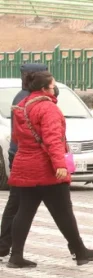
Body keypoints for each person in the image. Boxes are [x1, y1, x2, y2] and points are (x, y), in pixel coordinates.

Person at [6, 71, 93, 269]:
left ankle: (15, 255)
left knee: (24, 211)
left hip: (25, 166)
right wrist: (60, 164)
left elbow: (17, 138)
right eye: (53, 86)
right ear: (44, 89)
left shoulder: (22, 106)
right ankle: (80, 251)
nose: (55, 89)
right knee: (63, 213)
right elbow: (53, 139)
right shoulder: (48, 108)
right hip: (46, 169)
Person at [0, 63, 50, 258]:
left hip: (24, 156)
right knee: (20, 205)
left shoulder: (24, 97)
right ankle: (9, 248)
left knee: (19, 204)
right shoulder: (28, 99)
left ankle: (7, 247)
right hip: (28, 158)